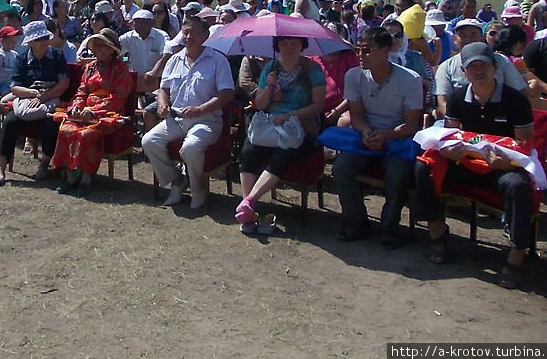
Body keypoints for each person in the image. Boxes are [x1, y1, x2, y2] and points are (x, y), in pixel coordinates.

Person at [415, 43, 536, 289]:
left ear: (495, 67)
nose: (479, 71)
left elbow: (525, 144)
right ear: (464, 71)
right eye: (473, 67)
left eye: (484, 65)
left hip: (503, 167)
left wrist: (507, 162)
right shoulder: (458, 97)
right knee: (423, 167)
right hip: (466, 162)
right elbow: (451, 134)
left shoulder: (516, 101)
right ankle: (436, 229)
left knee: (517, 186)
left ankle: (516, 253)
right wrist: (449, 151)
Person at [329, 27, 423, 247]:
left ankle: (389, 227)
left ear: (386, 50)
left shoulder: (410, 79)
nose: (360, 56)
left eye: (367, 51)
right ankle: (357, 222)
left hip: (398, 138)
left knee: (398, 173)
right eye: (358, 50)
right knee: (341, 168)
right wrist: (366, 132)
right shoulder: (354, 76)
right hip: (366, 134)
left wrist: (387, 134)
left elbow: (411, 124)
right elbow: (356, 115)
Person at [234, 35, 327, 233]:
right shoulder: (270, 68)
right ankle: (248, 211)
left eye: (294, 43)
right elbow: (260, 105)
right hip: (270, 125)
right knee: (249, 150)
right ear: (277, 46)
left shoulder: (313, 70)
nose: (289, 47)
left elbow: (318, 105)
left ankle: (249, 202)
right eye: (284, 43)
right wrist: (269, 86)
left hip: (302, 127)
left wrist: (290, 115)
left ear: (303, 44)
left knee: (283, 153)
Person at [141, 17, 234, 211]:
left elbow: (227, 94)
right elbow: (163, 89)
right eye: (185, 32)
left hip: (207, 120)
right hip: (176, 119)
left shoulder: (218, 60)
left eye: (193, 32)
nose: (188, 37)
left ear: (205, 36)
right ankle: (178, 180)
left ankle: (197, 188)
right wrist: (162, 105)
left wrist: (201, 109)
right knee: (149, 141)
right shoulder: (174, 60)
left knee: (190, 147)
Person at [50, 28, 134, 196]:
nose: (99, 49)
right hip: (85, 112)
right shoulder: (90, 67)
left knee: (87, 134)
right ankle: (71, 176)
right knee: (66, 128)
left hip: (110, 113)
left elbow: (118, 97)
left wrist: (94, 112)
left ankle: (86, 178)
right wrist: (77, 107)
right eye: (97, 45)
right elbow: (82, 91)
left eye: (103, 46)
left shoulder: (121, 69)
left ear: (112, 49)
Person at [0, 21, 70, 186]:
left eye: (44, 38)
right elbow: (15, 87)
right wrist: (33, 93)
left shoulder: (57, 55)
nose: (44, 42)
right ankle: (1, 167)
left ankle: (44, 163)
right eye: (39, 39)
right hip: (27, 100)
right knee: (10, 122)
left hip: (50, 100)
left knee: (50, 123)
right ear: (30, 43)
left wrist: (46, 95)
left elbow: (64, 83)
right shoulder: (21, 58)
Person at [433, 19, 528, 120]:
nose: (468, 39)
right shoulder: (446, 66)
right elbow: (443, 103)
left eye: (473, 35)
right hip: (460, 122)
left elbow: (520, 93)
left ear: (483, 38)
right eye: (462, 35)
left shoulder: (501, 61)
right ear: (455, 39)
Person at [120, 9, 168, 92]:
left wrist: (154, 72)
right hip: (136, 81)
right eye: (137, 22)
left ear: (152, 23)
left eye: (144, 22)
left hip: (157, 81)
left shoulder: (162, 36)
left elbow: (166, 55)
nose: (140, 25)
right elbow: (115, 48)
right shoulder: (129, 36)